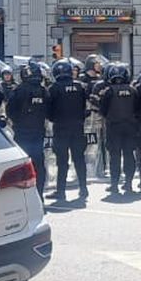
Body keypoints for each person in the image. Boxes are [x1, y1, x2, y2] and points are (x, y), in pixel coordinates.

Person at [48, 59, 91, 204]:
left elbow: (50, 111)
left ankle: (61, 192)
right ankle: (83, 188)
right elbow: (86, 107)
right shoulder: (81, 86)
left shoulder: (54, 88)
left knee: (62, 161)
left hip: (61, 128)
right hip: (78, 127)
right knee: (79, 159)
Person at [7, 61, 50, 197]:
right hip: (38, 133)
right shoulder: (43, 91)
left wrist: (18, 121)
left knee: (22, 166)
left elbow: (10, 111)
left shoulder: (18, 91)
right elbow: (49, 111)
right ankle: (40, 195)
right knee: (38, 165)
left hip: (22, 133)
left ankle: (24, 196)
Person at [99, 63, 141, 197]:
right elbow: (137, 108)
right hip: (130, 127)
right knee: (129, 155)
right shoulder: (133, 90)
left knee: (114, 157)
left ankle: (114, 185)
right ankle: (128, 184)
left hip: (114, 127)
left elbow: (103, 110)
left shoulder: (108, 91)